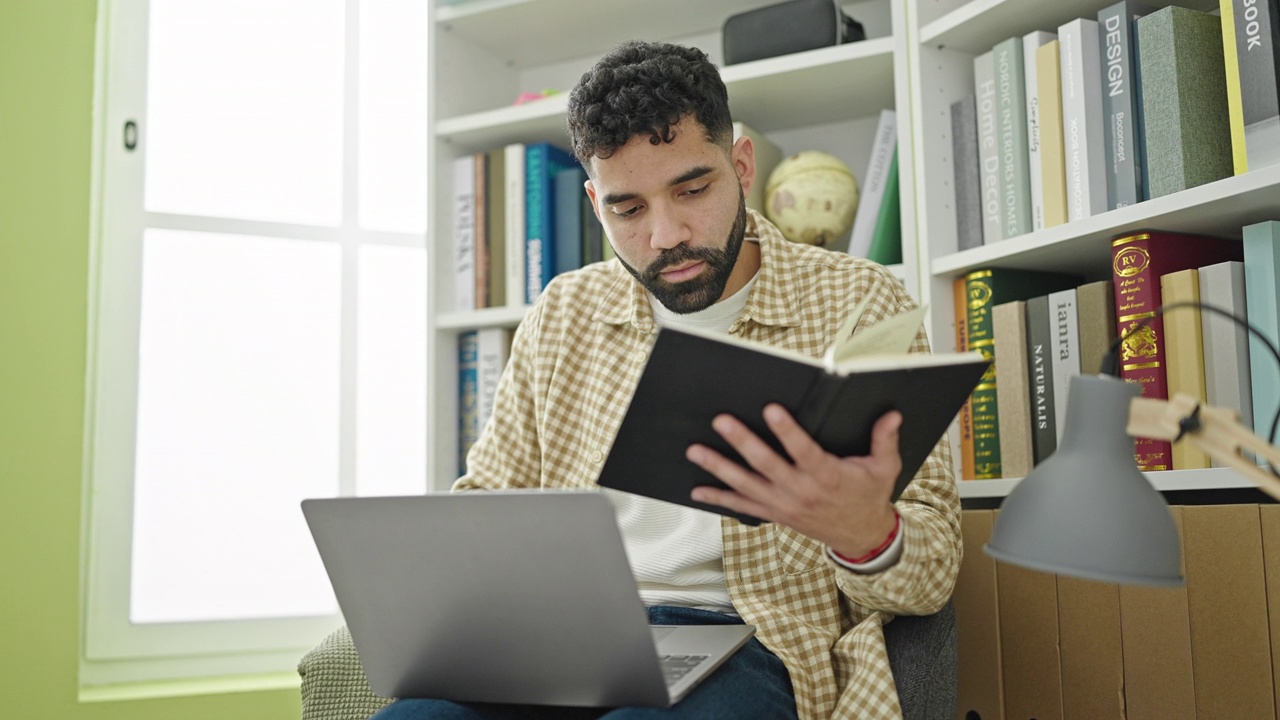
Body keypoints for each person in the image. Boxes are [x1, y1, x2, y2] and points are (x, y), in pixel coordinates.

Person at [373, 41, 961, 720]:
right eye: (628, 210)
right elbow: (488, 506)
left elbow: (934, 573)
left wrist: (869, 535)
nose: (666, 235)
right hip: (567, 640)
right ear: (596, 205)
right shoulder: (564, 312)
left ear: (741, 165)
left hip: (751, 644)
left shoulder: (859, 302)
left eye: (692, 189)